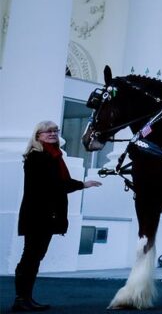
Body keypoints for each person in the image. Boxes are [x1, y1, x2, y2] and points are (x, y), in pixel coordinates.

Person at [12, 121, 101, 312]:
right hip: (38, 215)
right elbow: (53, 185)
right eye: (48, 131)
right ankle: (21, 299)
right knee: (30, 257)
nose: (52, 133)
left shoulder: (53, 155)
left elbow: (60, 183)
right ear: (38, 135)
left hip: (46, 215)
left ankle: (25, 298)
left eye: (55, 130)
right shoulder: (38, 156)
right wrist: (81, 185)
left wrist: (83, 184)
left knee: (34, 257)